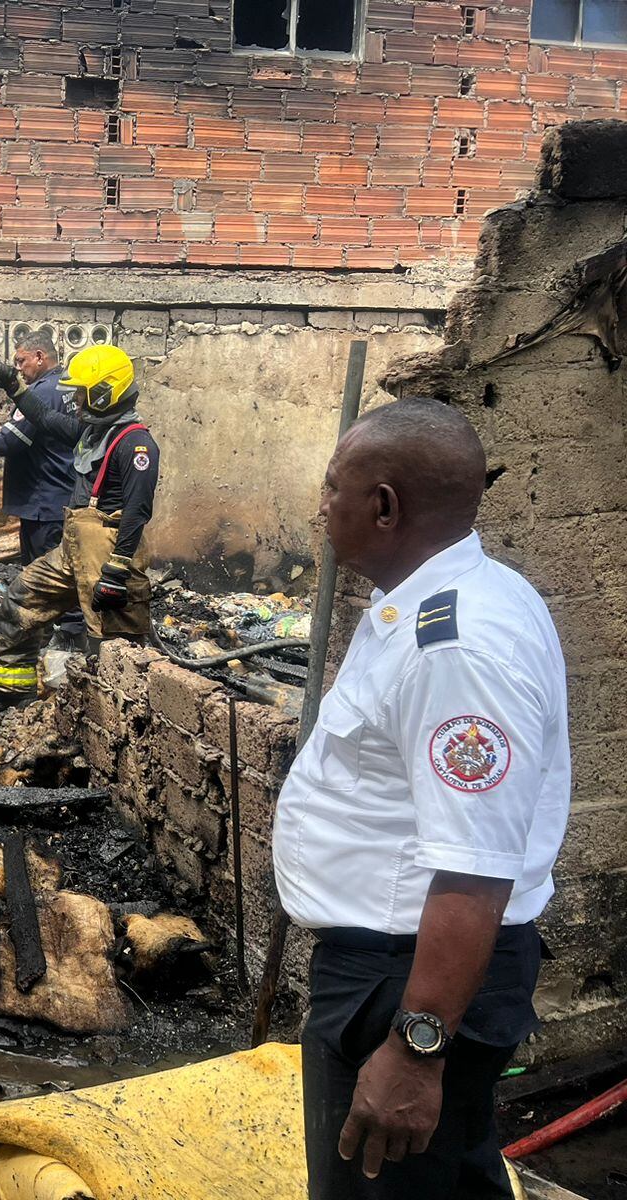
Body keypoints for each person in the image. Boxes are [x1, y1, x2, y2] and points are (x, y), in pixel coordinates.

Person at [273, 397, 569, 1199]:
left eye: (333, 486)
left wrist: (415, 1052)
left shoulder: (456, 648)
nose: (322, 505)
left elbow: (476, 869)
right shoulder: (444, 602)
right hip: (401, 970)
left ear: (384, 506)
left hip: (406, 983)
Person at [0, 344, 160, 709]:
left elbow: (137, 511)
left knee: (112, 647)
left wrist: (117, 571)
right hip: (73, 550)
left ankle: (114, 720)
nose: (75, 400)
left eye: (81, 392)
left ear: (104, 393)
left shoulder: (136, 444)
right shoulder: (91, 432)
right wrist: (12, 383)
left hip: (108, 557)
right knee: (19, 603)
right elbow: (45, 418)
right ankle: (14, 694)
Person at [0, 330, 83, 645]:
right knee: (64, 570)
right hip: (61, 494)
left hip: (43, 501)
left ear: (40, 356)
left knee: (48, 575)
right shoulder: (66, 386)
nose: (19, 368)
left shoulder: (39, 392)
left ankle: (66, 640)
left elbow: (8, 442)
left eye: (22, 361)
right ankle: (63, 635)